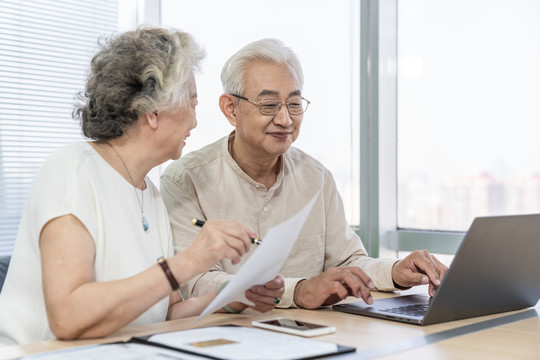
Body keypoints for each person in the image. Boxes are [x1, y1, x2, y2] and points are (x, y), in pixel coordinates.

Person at [0, 28, 284, 346]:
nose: (194, 120)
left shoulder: (150, 194)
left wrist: (231, 297)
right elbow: (68, 316)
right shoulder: (72, 169)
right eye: (191, 103)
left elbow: (166, 313)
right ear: (153, 112)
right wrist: (190, 260)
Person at [160, 38, 448, 312]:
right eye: (269, 105)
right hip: (227, 338)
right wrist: (297, 291)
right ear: (230, 108)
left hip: (312, 332)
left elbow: (349, 261)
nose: (285, 119)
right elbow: (194, 283)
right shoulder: (185, 180)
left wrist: (396, 272)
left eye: (294, 104)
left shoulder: (317, 178)